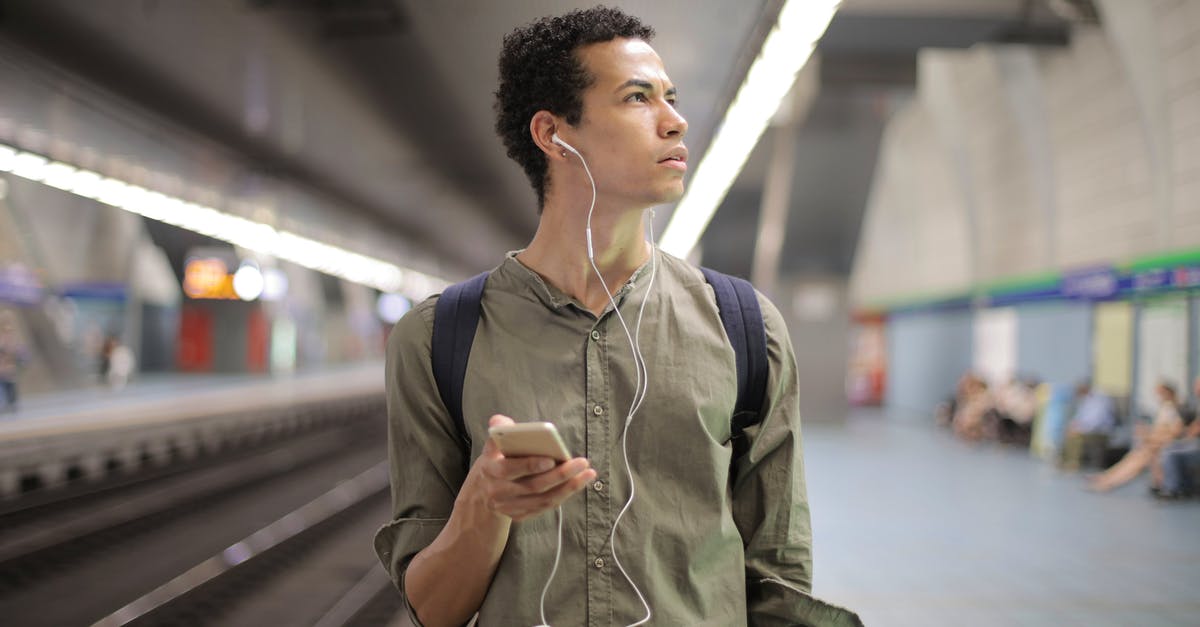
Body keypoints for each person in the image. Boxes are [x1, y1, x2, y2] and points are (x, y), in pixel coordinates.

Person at [373, 7, 856, 627]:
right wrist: (484, 507)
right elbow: (433, 609)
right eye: (637, 98)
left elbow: (780, 579)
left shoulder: (744, 327)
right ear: (553, 134)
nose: (675, 120)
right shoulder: (441, 338)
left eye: (671, 98)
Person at [1089, 381, 1183, 492]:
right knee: (1133, 457)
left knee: (1139, 460)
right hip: (1156, 442)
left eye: (1160, 392)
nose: (1157, 396)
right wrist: (1148, 434)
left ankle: (1110, 481)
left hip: (1163, 443)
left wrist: (1151, 438)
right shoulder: (1165, 408)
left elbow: (1175, 432)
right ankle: (1107, 477)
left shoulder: (1174, 409)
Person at [1154, 376, 1200, 499]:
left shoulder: (1179, 406)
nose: (1196, 388)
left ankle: (1172, 488)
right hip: (1192, 441)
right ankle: (1166, 484)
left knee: (1170, 452)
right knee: (1166, 448)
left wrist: (1184, 434)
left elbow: (1193, 430)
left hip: (1195, 445)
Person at [1059, 381, 1117, 471]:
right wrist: (1074, 426)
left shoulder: (1099, 399)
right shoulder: (1087, 399)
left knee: (1075, 437)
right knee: (1069, 432)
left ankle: (1073, 463)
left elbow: (1097, 421)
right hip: (1089, 429)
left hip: (1101, 431)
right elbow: (1080, 417)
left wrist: (1080, 429)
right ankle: (1065, 460)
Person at [0, 311, 29, 412]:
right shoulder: (3, 339)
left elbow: (20, 352)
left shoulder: (13, 339)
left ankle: (11, 404)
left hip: (9, 370)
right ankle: (7, 404)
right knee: (4, 389)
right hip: (3, 370)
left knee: (10, 389)